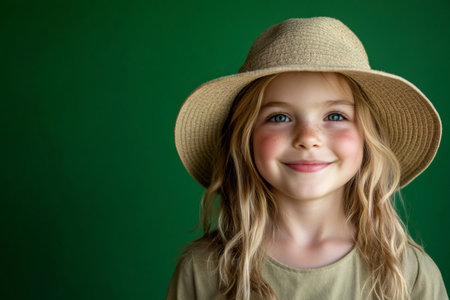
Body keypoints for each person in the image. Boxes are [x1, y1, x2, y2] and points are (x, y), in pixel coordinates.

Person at [167, 17, 448, 300]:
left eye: (335, 116)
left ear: (367, 139)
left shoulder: (409, 273)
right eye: (279, 117)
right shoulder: (202, 270)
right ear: (246, 139)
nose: (308, 137)